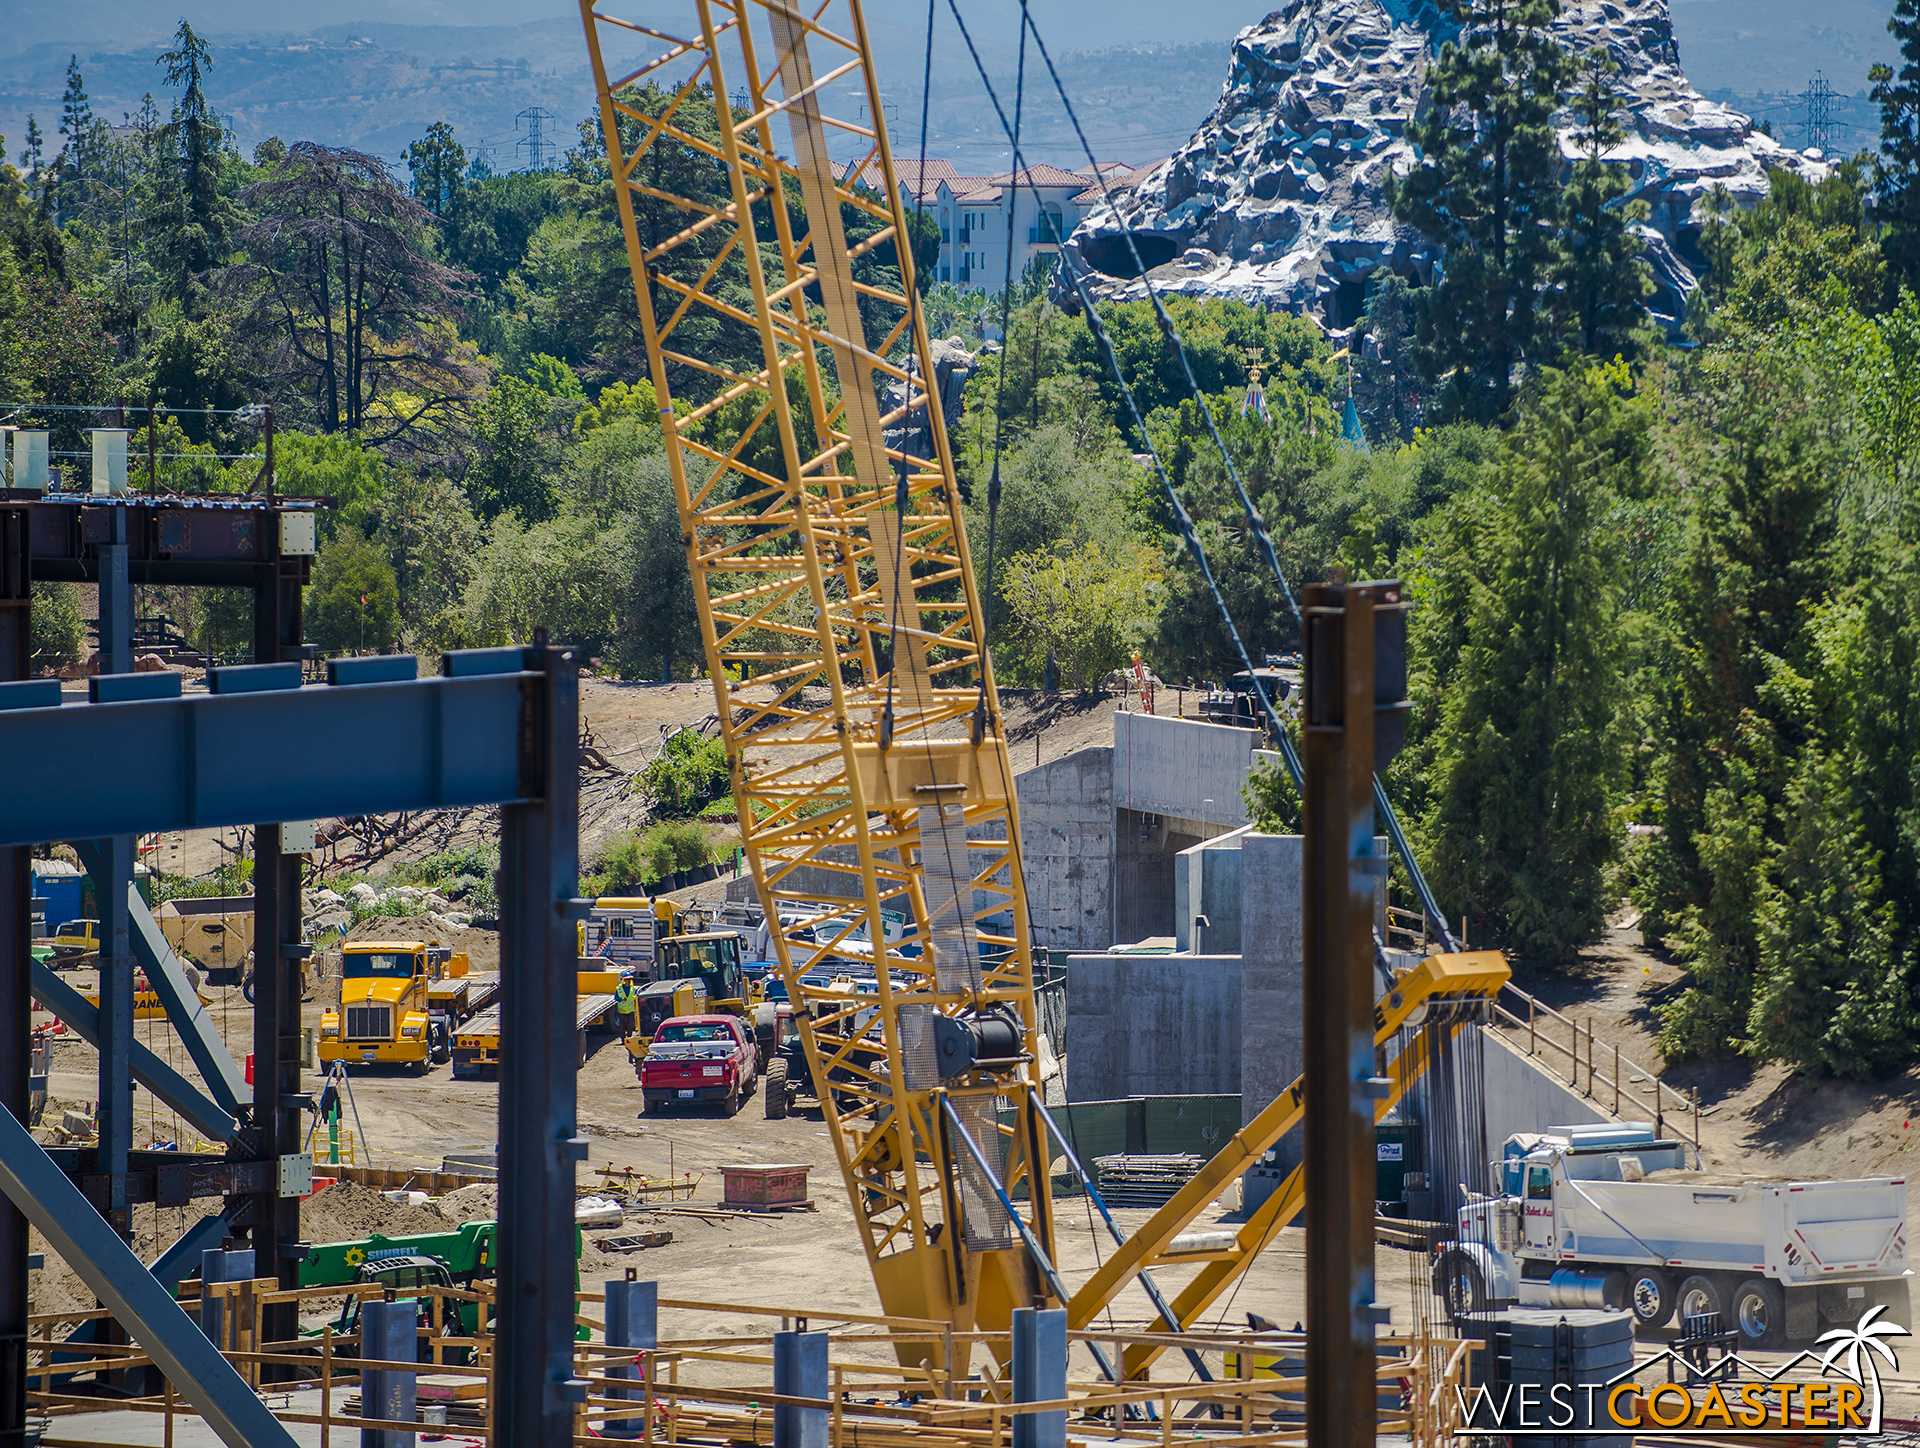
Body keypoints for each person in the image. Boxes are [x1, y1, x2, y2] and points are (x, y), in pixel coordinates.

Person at [614, 972, 638, 1040]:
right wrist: (621, 999)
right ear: (624, 980)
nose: (629, 981)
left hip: (631, 1010)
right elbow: (616, 998)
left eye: (630, 979)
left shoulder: (634, 989)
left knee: (630, 1023)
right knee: (622, 1025)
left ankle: (629, 1036)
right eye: (627, 979)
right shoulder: (619, 989)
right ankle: (622, 1038)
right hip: (622, 1010)